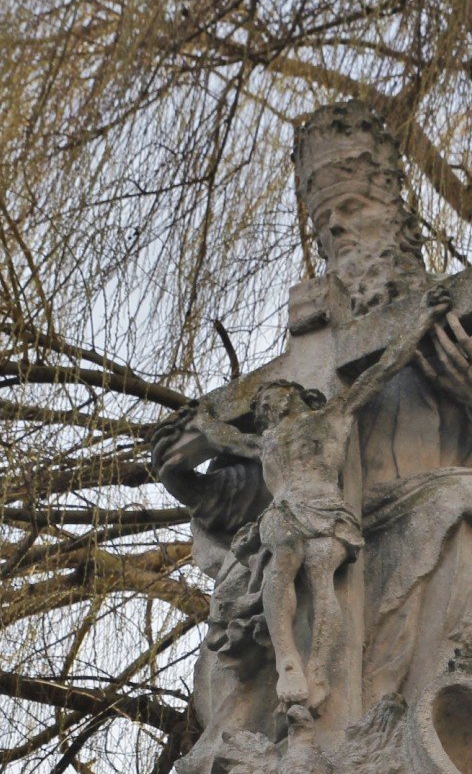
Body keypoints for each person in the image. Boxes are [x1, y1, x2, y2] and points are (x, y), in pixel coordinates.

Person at [189, 285, 452, 712]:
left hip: (327, 509)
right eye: (261, 405)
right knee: (280, 568)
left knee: (322, 580)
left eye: (272, 398)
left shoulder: (333, 415)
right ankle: (288, 659)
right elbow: (227, 438)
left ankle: (318, 669)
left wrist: (421, 320)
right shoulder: (267, 441)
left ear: (295, 396)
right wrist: (203, 419)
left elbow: (382, 369)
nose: (266, 406)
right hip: (285, 511)